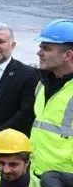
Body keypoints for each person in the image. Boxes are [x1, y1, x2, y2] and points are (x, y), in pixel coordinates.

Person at [33, 18, 73, 175]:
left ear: (67, 55)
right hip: (38, 175)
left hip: (67, 182)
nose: (39, 53)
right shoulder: (42, 83)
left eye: (46, 48)